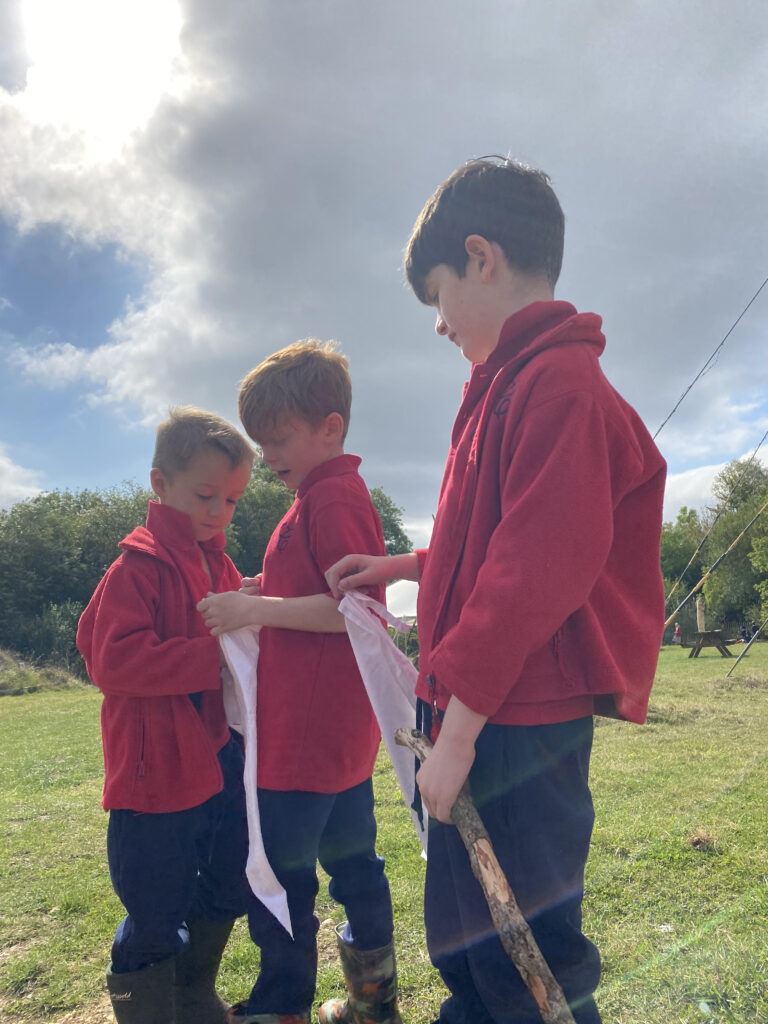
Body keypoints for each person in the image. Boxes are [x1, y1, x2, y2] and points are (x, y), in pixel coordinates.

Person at [325, 157, 667, 1024]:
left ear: (482, 257)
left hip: (516, 723)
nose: (438, 325)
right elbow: (487, 542)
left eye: (436, 296)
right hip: (479, 715)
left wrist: (460, 737)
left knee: (529, 953)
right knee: (469, 935)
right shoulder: (502, 386)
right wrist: (406, 569)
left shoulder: (562, 386)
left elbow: (537, 563)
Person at [197, 340, 401, 1024]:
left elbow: (356, 612)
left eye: (280, 439)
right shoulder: (319, 496)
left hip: (303, 738)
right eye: (264, 443)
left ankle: (279, 1009)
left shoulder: (332, 498)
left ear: (330, 428)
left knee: (282, 882)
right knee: (356, 868)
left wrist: (252, 607)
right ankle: (373, 1002)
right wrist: (267, 587)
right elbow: (320, 589)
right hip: (337, 736)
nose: (271, 457)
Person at [76, 408, 255, 1023]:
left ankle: (193, 996)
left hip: (217, 757)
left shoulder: (219, 563)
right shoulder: (137, 565)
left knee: (232, 873)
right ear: (160, 485)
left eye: (231, 500)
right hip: (154, 771)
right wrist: (219, 655)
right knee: (155, 908)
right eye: (206, 495)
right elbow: (111, 659)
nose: (218, 512)